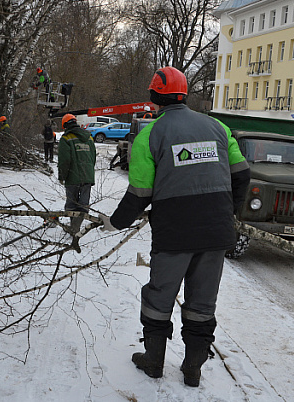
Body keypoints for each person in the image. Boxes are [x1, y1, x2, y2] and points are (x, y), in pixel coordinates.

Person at [100, 66, 250, 387]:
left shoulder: (149, 135)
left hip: (174, 233)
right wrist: (228, 213)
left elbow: (140, 193)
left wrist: (115, 222)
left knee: (159, 297)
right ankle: (193, 369)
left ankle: (154, 361)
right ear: (184, 94)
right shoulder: (219, 128)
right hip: (215, 233)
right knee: (202, 302)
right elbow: (242, 175)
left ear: (154, 97)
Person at [58, 113, 96, 252]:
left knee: (71, 203)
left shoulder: (66, 138)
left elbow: (64, 161)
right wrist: (89, 172)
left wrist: (62, 176)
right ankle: (76, 228)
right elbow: (93, 157)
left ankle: (73, 229)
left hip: (73, 176)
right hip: (87, 176)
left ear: (65, 125)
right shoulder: (89, 137)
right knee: (83, 204)